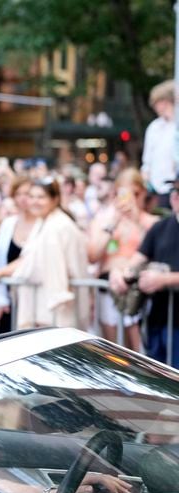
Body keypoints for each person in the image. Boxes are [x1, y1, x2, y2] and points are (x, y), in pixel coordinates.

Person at [0, 178, 89, 330]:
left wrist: (1, 272)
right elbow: (29, 259)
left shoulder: (57, 226)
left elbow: (46, 270)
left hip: (54, 310)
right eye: (32, 196)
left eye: (41, 197)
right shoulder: (44, 223)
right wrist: (0, 272)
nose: (35, 201)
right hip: (43, 308)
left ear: (55, 199)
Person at [110, 178, 179, 367]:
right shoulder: (161, 227)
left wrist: (166, 279)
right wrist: (119, 273)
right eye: (175, 190)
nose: (175, 196)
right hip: (158, 319)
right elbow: (136, 261)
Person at [87, 169, 157, 349]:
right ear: (115, 193)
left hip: (139, 294)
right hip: (107, 291)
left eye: (136, 193)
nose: (131, 199)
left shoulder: (152, 222)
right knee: (112, 350)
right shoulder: (103, 220)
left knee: (140, 353)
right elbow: (93, 255)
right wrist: (114, 222)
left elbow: (155, 249)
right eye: (125, 193)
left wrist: (136, 220)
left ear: (143, 193)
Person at [0, 175, 36, 334]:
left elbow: (31, 259)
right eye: (19, 194)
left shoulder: (44, 224)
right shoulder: (8, 224)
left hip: (35, 299)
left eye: (28, 194)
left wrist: (0, 272)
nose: (23, 198)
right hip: (9, 300)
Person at [141, 80, 176, 208]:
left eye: (157, 103)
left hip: (174, 187)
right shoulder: (154, 127)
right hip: (156, 188)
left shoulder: (176, 126)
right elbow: (147, 160)